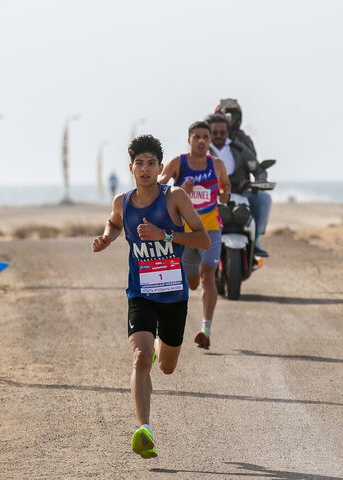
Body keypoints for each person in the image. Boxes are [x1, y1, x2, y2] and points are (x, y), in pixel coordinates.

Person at [91, 134, 210, 459]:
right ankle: (144, 429)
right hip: (140, 292)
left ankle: (161, 350)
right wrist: (107, 238)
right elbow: (114, 223)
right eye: (139, 163)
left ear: (160, 167)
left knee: (167, 366)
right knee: (141, 359)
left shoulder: (175, 197)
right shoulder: (122, 201)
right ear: (131, 167)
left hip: (173, 296)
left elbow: (202, 240)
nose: (145, 169)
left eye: (151, 163)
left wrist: (166, 235)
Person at [158, 121, 230, 350]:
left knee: (208, 276)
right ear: (189, 140)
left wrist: (224, 194)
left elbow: (225, 190)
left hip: (210, 230)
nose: (201, 141)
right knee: (192, 282)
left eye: (205, 137)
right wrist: (178, 191)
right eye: (197, 137)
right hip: (183, 233)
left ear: (210, 141)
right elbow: (157, 190)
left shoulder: (217, 165)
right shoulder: (178, 163)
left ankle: (205, 329)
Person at [207, 113, 273, 257]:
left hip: (240, 193)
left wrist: (260, 180)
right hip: (209, 196)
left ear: (228, 133)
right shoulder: (201, 151)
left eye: (222, 132)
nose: (218, 135)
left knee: (264, 198)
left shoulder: (240, 149)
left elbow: (257, 168)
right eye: (214, 132)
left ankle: (255, 240)